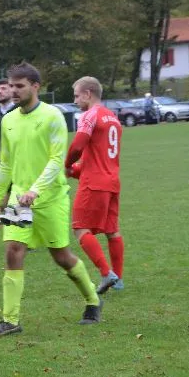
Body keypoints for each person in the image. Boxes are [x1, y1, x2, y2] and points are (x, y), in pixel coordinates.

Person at [0, 63, 102, 338]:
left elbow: (57, 159)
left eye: (20, 86)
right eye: (11, 86)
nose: (14, 91)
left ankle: (93, 300)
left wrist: (35, 190)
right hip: (18, 199)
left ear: (35, 86)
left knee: (61, 256)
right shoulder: (8, 120)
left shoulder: (52, 116)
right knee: (13, 250)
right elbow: (6, 163)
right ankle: (10, 320)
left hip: (50, 198)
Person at [65, 77, 126, 293]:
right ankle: (118, 279)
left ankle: (106, 273)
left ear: (88, 94)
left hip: (94, 183)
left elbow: (77, 146)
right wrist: (75, 171)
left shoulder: (89, 115)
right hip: (112, 181)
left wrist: (67, 165)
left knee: (80, 228)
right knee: (112, 231)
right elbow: (99, 158)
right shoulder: (113, 118)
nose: (75, 101)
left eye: (76, 96)